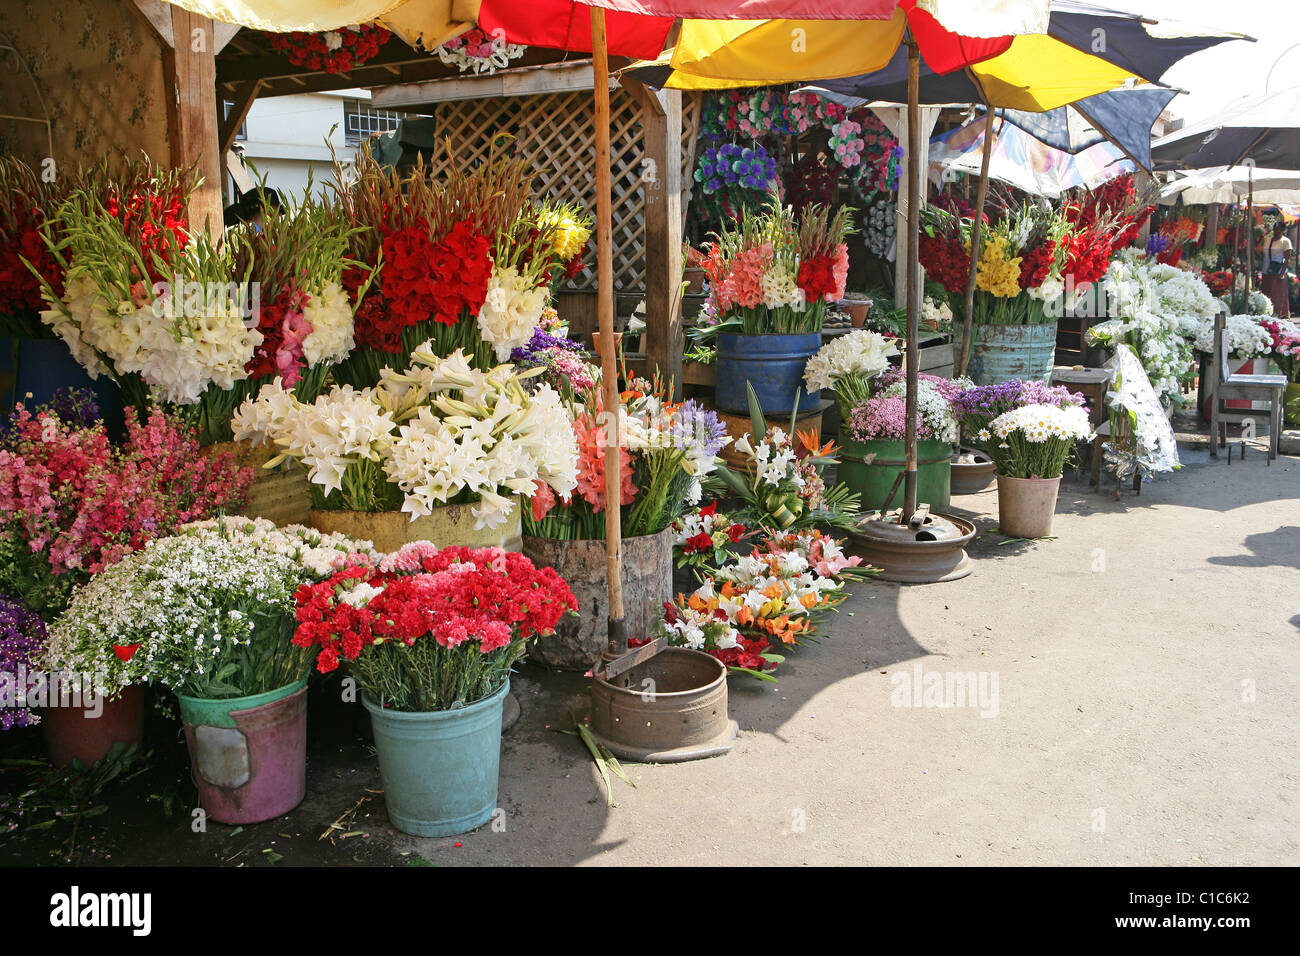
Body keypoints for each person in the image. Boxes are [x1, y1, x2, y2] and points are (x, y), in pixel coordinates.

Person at [1260, 219, 1292, 318]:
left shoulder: (1285, 241)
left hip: (1278, 272)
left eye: (1279, 229)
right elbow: (1263, 254)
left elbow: (1287, 259)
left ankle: (1280, 314)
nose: (1276, 231)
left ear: (1283, 230)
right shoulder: (1267, 240)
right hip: (1266, 270)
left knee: (1278, 295)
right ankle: (1267, 312)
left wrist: (1282, 274)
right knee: (1266, 292)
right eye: (1275, 229)